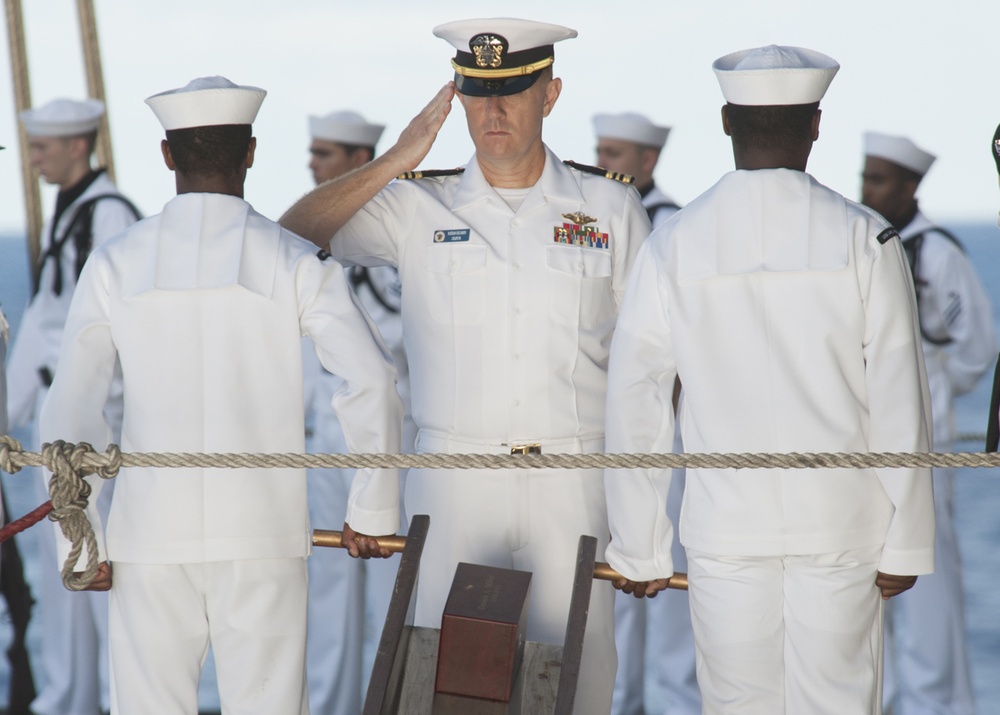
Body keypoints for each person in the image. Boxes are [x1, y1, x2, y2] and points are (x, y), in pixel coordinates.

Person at [281, 18, 651, 714]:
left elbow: (648, 367)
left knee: (578, 679)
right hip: (453, 479)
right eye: (476, 94)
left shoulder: (609, 208)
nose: (494, 112)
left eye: (513, 92)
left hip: (572, 479)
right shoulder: (416, 203)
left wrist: (645, 519)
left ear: (552, 93)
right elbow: (292, 236)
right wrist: (395, 159)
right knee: (442, 681)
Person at [38, 75, 403, 714]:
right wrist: (371, 509)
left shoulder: (115, 262)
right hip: (264, 536)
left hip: (147, 537)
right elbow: (370, 379)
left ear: (167, 156)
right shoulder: (296, 260)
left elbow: (72, 409)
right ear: (253, 153)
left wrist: (79, 538)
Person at [603, 45, 936, 714]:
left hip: (726, 530)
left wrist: (639, 543)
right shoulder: (865, 237)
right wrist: (908, 537)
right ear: (817, 124)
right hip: (844, 525)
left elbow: (636, 396)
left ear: (726, 122)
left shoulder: (675, 240)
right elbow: (900, 393)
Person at [5, 97, 140, 715]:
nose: (33, 161)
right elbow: (40, 325)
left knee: (94, 570)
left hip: (87, 435)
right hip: (55, 430)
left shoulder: (108, 218)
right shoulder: (74, 216)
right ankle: (68, 702)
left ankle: (101, 701)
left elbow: (111, 332)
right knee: (66, 582)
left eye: (42, 149)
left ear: (78, 147)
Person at [861, 132, 994, 715]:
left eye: (879, 179)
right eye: (866, 176)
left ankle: (942, 702)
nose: (867, 189)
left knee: (928, 584)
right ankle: (888, 699)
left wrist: (934, 392)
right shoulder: (872, 245)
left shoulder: (936, 252)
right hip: (871, 448)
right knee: (874, 581)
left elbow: (978, 347)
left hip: (927, 447)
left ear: (910, 187)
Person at [302, 109, 414, 714]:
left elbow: (399, 344)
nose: (313, 165)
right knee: (329, 594)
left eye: (323, 154)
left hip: (388, 442)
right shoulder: (319, 243)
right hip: (325, 444)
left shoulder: (393, 231)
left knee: (386, 593)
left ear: (356, 160)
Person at [593, 111, 698, 715]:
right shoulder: (594, 220)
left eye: (615, 151)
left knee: (672, 587)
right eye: (600, 149)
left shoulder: (676, 229)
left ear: (648, 161)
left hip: (673, 428)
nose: (604, 160)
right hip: (615, 422)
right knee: (619, 580)